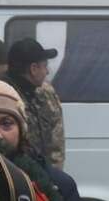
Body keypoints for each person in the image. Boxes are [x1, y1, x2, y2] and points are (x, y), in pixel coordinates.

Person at [7, 37, 66, 167]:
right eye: (45, 66)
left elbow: (56, 145)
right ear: (33, 69)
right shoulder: (5, 98)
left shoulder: (45, 93)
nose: (47, 72)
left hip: (45, 179)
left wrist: (53, 179)